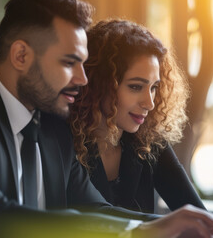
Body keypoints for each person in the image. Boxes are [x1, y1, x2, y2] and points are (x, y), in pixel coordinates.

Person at [0, 0, 213, 237]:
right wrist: (138, 232)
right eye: (70, 62)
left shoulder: (52, 123)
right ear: (21, 55)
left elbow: (93, 208)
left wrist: (183, 225)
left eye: (83, 64)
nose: (83, 79)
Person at [70, 19, 205, 214]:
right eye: (135, 87)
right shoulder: (63, 143)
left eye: (153, 88)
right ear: (98, 83)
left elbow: (199, 215)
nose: (149, 103)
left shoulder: (149, 142)